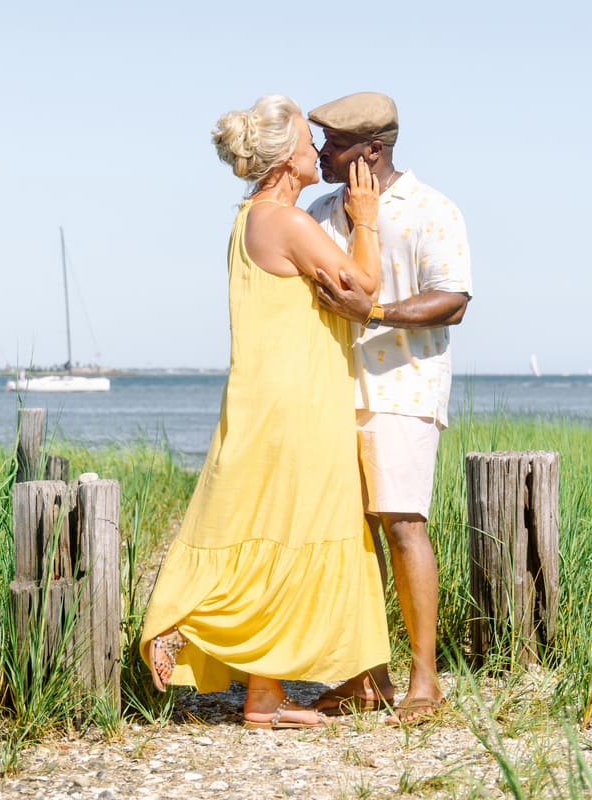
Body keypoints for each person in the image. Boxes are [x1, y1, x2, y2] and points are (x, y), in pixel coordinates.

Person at [139, 94, 391, 730]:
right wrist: (367, 219)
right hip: (297, 397)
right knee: (297, 521)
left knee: (274, 525)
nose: (318, 152)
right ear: (285, 158)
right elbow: (365, 289)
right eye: (310, 142)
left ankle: (263, 695)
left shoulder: (249, 218)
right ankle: (182, 624)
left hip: (264, 392)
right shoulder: (288, 222)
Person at [305, 92, 472, 725]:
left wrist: (371, 312)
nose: (323, 153)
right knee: (348, 538)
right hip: (327, 393)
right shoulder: (319, 212)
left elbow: (452, 300)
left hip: (402, 391)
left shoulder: (432, 208)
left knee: (403, 526)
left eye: (336, 145)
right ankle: (364, 676)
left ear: (372, 150)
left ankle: (424, 678)